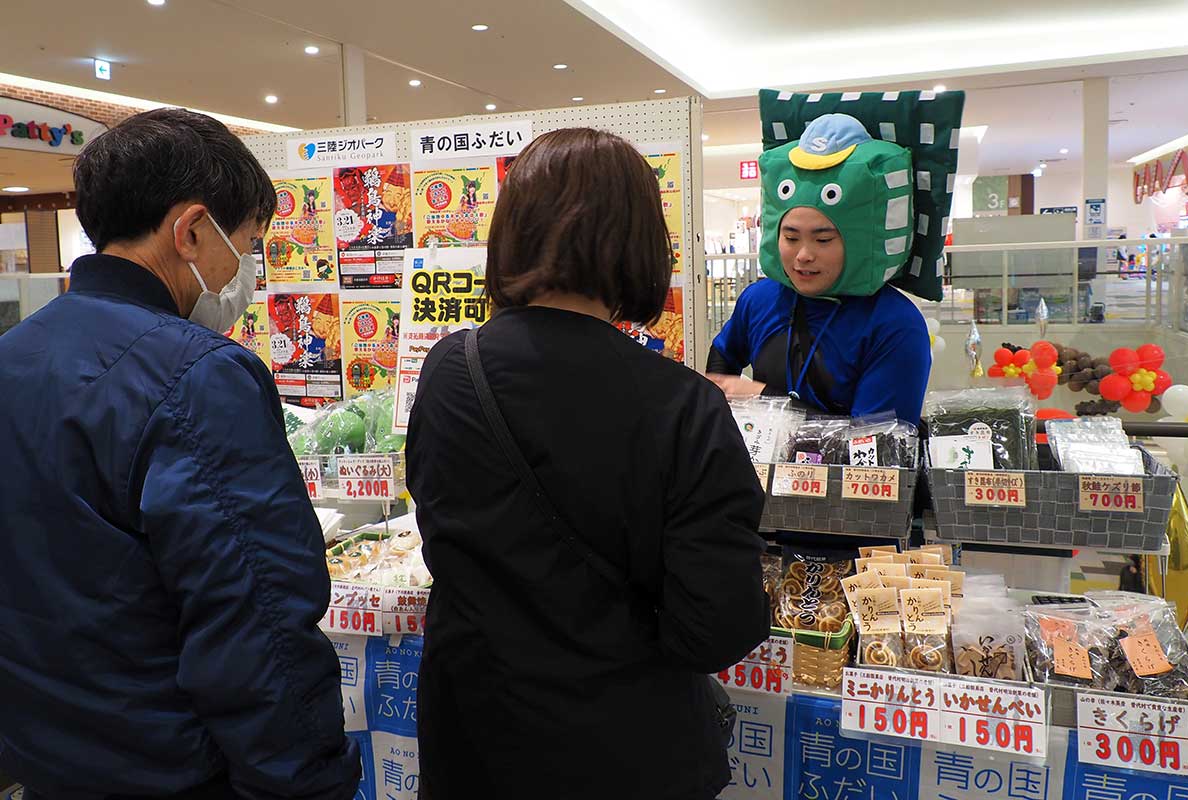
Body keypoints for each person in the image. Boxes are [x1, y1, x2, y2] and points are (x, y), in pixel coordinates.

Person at [0, 109, 360, 799]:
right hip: (174, 767)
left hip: (46, 758)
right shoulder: (197, 375)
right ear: (192, 231)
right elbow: (258, 622)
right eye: (249, 243)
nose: (246, 271)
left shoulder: (15, 354)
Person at [406, 127, 770, 800]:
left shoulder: (450, 370)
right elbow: (716, 626)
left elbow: (446, 539)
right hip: (628, 750)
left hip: (475, 740)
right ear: (638, 243)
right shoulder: (684, 405)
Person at [705, 113, 940, 426]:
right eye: (790, 237)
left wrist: (763, 397)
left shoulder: (896, 325)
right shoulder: (759, 299)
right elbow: (723, 355)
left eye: (823, 239)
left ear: (859, 241)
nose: (803, 255)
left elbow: (876, 449)